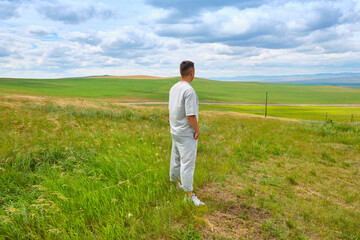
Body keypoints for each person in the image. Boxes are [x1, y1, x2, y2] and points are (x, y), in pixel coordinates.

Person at [168, 60, 205, 206]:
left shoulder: (174, 88)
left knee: (175, 159)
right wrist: (197, 130)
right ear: (192, 72)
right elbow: (190, 115)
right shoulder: (189, 91)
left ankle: (174, 185)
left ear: (180, 72)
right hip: (185, 132)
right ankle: (189, 196)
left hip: (175, 130)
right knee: (187, 164)